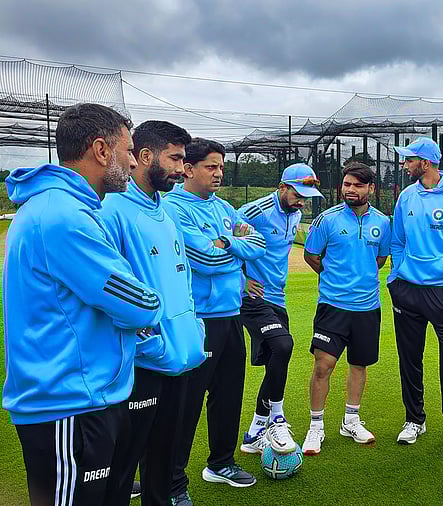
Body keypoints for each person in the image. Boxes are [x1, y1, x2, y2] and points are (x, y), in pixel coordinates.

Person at [3, 102, 164, 506]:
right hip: (67, 405)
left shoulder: (66, 208)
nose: (132, 162)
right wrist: (150, 306)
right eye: (127, 151)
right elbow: (140, 304)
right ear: (101, 150)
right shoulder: (64, 215)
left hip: (81, 399)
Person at [98, 121, 207, 506]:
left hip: (179, 359)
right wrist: (152, 347)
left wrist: (193, 330)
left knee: (163, 464)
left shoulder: (166, 211)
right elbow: (110, 295)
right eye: (175, 158)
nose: (182, 168)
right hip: (141, 367)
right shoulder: (112, 210)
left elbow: (184, 281)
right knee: (122, 469)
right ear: (145, 157)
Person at [165, 138, 265, 504]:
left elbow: (258, 243)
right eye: (211, 166)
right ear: (188, 169)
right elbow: (204, 260)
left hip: (230, 315)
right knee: (185, 405)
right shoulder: (174, 207)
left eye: (221, 166)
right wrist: (231, 248)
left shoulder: (224, 206)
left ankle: (220, 463)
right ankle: (173, 483)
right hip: (197, 320)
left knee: (227, 396)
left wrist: (226, 244)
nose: (219, 173)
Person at [387, 136, 443, 456]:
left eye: (409, 159)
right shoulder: (406, 197)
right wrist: (396, 278)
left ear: (425, 163)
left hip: (442, 294)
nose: (404, 164)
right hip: (407, 291)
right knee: (410, 359)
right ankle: (414, 419)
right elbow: (397, 241)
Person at [300, 162, 390, 455]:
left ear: (371, 189)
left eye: (358, 185)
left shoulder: (383, 222)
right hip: (333, 306)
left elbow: (380, 259)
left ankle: (351, 420)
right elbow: (312, 255)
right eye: (347, 184)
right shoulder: (326, 220)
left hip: (367, 308)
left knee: (359, 364)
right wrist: (335, 278)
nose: (350, 190)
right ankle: (316, 427)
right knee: (323, 365)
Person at [237, 163, 323, 456]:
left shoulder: (296, 214)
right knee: (283, 345)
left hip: (278, 299)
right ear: (282, 187)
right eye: (298, 193)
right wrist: (242, 280)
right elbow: (227, 245)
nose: (302, 201)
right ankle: (276, 417)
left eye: (307, 196)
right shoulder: (254, 211)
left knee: (277, 356)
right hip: (251, 298)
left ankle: (254, 432)